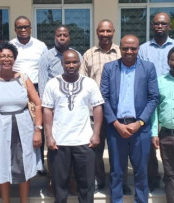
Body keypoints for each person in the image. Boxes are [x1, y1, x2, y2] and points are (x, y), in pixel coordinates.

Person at [100, 34, 159, 203]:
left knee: (141, 171)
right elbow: (103, 98)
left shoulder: (148, 68)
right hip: (115, 128)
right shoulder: (110, 68)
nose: (129, 51)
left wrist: (139, 123)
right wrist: (116, 124)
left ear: (138, 49)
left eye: (133, 48)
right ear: (120, 48)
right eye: (125, 48)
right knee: (117, 171)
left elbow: (153, 98)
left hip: (140, 129)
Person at [0, 41, 43, 203]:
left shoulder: (23, 78)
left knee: (24, 163)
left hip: (23, 126)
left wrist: (38, 129)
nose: (6, 59)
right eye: (2, 56)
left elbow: (38, 103)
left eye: (10, 56)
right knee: (2, 164)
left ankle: (24, 200)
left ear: (14, 58)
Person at [43, 49, 104, 203]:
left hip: (84, 142)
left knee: (86, 185)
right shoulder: (52, 83)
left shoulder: (89, 83)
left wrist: (96, 133)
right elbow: (47, 110)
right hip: (59, 143)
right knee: (59, 185)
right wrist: (49, 136)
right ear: (62, 64)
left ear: (79, 63)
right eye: (67, 62)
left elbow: (97, 107)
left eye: (74, 62)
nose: (71, 65)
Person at [80, 19, 131, 195]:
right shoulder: (89, 54)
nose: (105, 34)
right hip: (96, 111)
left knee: (119, 150)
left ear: (113, 32)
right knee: (95, 149)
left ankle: (121, 181)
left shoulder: (122, 52)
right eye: (102, 31)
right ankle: (98, 179)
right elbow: (83, 82)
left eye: (108, 31)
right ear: (96, 32)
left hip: (118, 111)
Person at [139, 12, 174, 192]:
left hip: (170, 97)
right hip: (148, 100)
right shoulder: (143, 49)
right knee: (150, 141)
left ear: (169, 26)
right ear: (152, 26)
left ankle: (171, 177)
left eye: (163, 24)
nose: (160, 27)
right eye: (156, 24)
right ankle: (153, 178)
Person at [38, 25, 81, 195]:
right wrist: (47, 108)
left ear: (69, 37)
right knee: (54, 146)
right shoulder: (46, 57)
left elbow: (81, 80)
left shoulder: (77, 55)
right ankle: (53, 179)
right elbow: (42, 85)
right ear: (54, 37)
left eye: (65, 35)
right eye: (59, 35)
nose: (62, 37)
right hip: (53, 110)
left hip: (73, 110)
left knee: (72, 145)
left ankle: (71, 180)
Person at [10, 15, 48, 175]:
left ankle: (40, 164)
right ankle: (22, 161)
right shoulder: (10, 45)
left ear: (31, 28)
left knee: (39, 127)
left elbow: (45, 68)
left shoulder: (40, 46)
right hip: (16, 88)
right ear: (15, 29)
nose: (23, 30)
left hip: (37, 89)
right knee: (19, 126)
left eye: (26, 27)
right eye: (20, 27)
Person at [151, 45, 174, 203]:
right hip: (166, 136)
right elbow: (154, 111)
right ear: (168, 61)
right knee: (170, 174)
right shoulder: (159, 82)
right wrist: (154, 133)